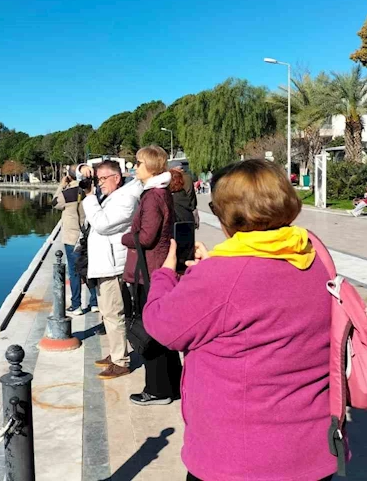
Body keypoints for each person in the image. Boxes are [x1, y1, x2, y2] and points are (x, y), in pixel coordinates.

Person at [144, 159, 336, 481]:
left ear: (227, 214)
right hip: (313, 449)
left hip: (241, 460)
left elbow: (162, 325)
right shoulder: (313, 253)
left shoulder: (223, 276)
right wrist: (211, 272)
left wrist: (165, 273)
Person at [121, 146, 183, 405]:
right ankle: (172, 384)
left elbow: (146, 237)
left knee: (150, 331)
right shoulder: (161, 193)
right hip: (156, 268)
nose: (134, 168)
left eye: (138, 163)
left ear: (150, 166)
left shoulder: (152, 196)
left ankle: (157, 389)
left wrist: (125, 237)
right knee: (161, 327)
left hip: (148, 271)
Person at [82, 159, 143, 380]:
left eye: (102, 179)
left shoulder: (126, 198)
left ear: (117, 178)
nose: (99, 184)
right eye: (97, 180)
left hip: (112, 264)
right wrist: (82, 170)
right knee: (108, 313)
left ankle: (121, 361)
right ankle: (117, 352)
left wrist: (89, 197)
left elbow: (102, 224)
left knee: (113, 312)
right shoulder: (113, 195)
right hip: (105, 263)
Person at [53, 171, 98, 315]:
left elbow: (54, 203)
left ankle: (76, 305)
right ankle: (94, 303)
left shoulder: (67, 193)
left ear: (69, 176)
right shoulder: (89, 191)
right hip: (89, 235)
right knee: (89, 269)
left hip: (72, 237)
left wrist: (62, 185)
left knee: (74, 272)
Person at [169, 167, 197, 272]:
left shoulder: (171, 198)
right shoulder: (183, 195)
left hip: (177, 233)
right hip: (188, 231)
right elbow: (193, 204)